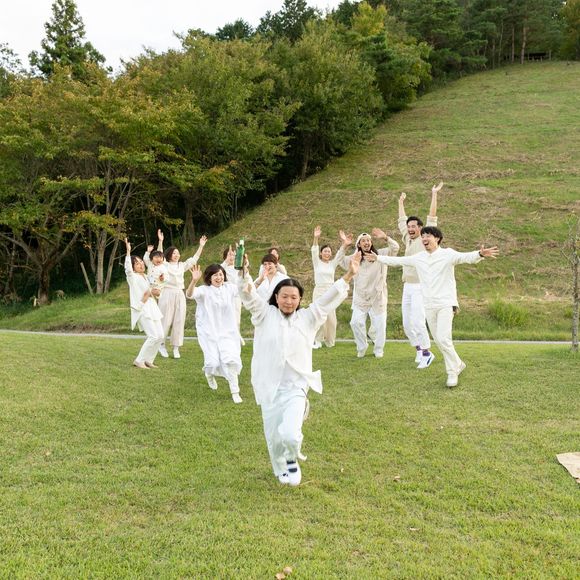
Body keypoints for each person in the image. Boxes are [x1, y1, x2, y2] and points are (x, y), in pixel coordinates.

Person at [238, 251, 361, 486]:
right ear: (276, 297)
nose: (289, 301)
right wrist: (242, 272)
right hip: (269, 388)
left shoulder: (308, 317)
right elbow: (248, 295)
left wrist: (348, 276)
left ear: (300, 299)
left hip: (295, 388)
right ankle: (279, 468)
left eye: (294, 297)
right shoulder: (264, 314)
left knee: (290, 434)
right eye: (284, 296)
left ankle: (292, 458)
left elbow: (328, 299)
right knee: (274, 437)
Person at [372, 226, 499, 387]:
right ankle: (458, 363)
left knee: (444, 338)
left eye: (428, 236)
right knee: (439, 340)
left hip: (446, 303)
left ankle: (452, 372)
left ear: (437, 238)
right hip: (429, 305)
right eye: (423, 236)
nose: (424, 239)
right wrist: (377, 258)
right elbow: (398, 261)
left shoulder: (448, 254)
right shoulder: (419, 258)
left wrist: (479, 254)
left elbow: (465, 257)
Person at [398, 182, 443, 368]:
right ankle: (419, 350)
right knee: (407, 324)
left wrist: (434, 194)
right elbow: (401, 220)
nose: (410, 229)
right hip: (407, 286)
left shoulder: (425, 239)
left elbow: (432, 217)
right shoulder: (407, 238)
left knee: (417, 321)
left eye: (414, 226)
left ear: (421, 228)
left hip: (420, 286)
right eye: (409, 226)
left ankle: (427, 353)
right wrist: (400, 202)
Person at [186, 264, 243, 404]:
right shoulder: (204, 291)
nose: (219, 277)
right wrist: (194, 281)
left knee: (230, 360)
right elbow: (189, 295)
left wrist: (255, 276)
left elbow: (246, 289)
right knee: (212, 362)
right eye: (215, 275)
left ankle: (235, 392)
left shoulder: (229, 288)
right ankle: (209, 374)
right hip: (208, 332)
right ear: (209, 278)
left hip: (227, 332)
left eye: (221, 274)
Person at [339, 230, 399, 358]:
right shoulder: (354, 258)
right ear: (359, 244)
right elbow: (339, 260)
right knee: (355, 323)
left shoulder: (381, 254)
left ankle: (379, 349)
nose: (366, 242)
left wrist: (385, 237)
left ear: (371, 243)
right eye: (363, 241)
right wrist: (344, 246)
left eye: (368, 240)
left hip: (378, 297)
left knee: (380, 325)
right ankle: (362, 346)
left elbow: (395, 248)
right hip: (361, 297)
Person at [158, 235, 207, 359]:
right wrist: (161, 241)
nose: (176, 255)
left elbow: (194, 259)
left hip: (179, 293)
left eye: (178, 253)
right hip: (167, 292)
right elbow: (159, 256)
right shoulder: (165, 265)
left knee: (179, 320)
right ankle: (161, 345)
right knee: (165, 320)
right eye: (174, 253)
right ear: (169, 255)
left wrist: (201, 246)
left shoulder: (182, 265)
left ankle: (176, 348)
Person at [123, 238, 164, 369]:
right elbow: (128, 270)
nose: (141, 264)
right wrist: (128, 252)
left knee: (160, 336)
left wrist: (158, 289)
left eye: (141, 262)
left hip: (153, 307)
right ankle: (139, 360)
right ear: (133, 267)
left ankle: (148, 360)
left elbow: (154, 290)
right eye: (137, 263)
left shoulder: (146, 276)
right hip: (142, 309)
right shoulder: (132, 277)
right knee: (153, 336)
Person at [310, 226, 351, 348]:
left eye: (329, 251)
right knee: (319, 316)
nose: (327, 253)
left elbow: (339, 255)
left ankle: (330, 341)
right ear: (321, 253)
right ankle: (317, 340)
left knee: (331, 318)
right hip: (319, 291)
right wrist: (316, 238)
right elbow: (314, 251)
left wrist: (344, 243)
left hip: (331, 291)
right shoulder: (317, 263)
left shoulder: (332, 264)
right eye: (325, 251)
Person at [221, 245, 245, 345]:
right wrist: (226, 261)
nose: (232, 257)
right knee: (226, 318)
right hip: (225, 296)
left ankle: (236, 336)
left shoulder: (238, 268)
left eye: (234, 255)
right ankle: (227, 338)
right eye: (229, 255)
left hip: (237, 296)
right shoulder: (223, 267)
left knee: (236, 318)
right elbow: (218, 269)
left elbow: (243, 280)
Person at [143, 229, 167, 294]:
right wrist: (148, 251)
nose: (158, 259)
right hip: (150, 287)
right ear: (151, 259)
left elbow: (160, 252)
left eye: (160, 258)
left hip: (160, 288)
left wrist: (160, 241)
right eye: (156, 257)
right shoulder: (150, 264)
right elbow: (145, 259)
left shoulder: (163, 265)